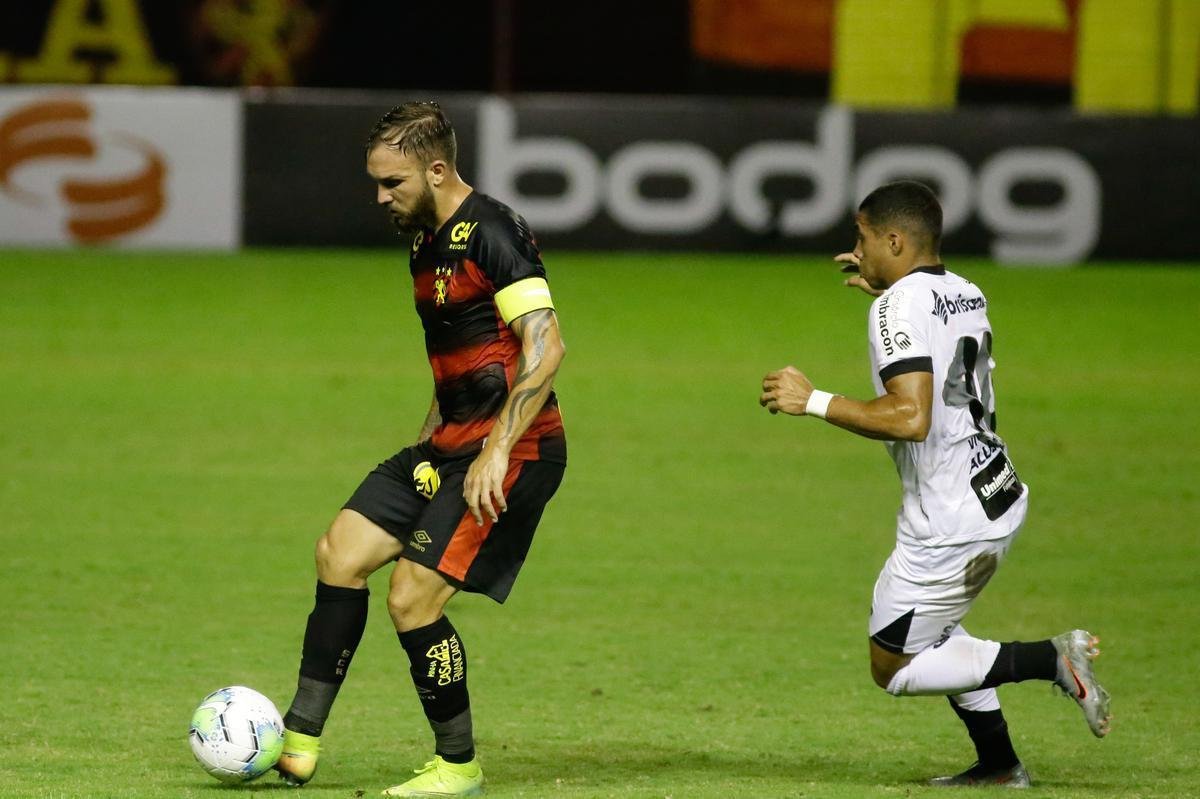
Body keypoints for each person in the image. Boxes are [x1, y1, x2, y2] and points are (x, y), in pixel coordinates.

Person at [758, 180, 1111, 787]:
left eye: (864, 238)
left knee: (893, 665)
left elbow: (911, 418)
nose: (857, 249)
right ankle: (1000, 766)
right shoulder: (965, 291)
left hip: (948, 522)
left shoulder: (896, 306)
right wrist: (890, 292)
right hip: (994, 491)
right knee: (941, 634)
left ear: (894, 239)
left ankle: (1049, 660)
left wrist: (811, 400)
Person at [274, 101, 567, 797]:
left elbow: (546, 345)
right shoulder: (425, 238)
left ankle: (458, 763)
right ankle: (295, 744)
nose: (380, 198)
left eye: (392, 183)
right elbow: (456, 360)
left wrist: (495, 450)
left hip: (515, 451)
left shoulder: (492, 231)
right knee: (338, 553)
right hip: (447, 443)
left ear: (437, 170)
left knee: (411, 599)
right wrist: (425, 448)